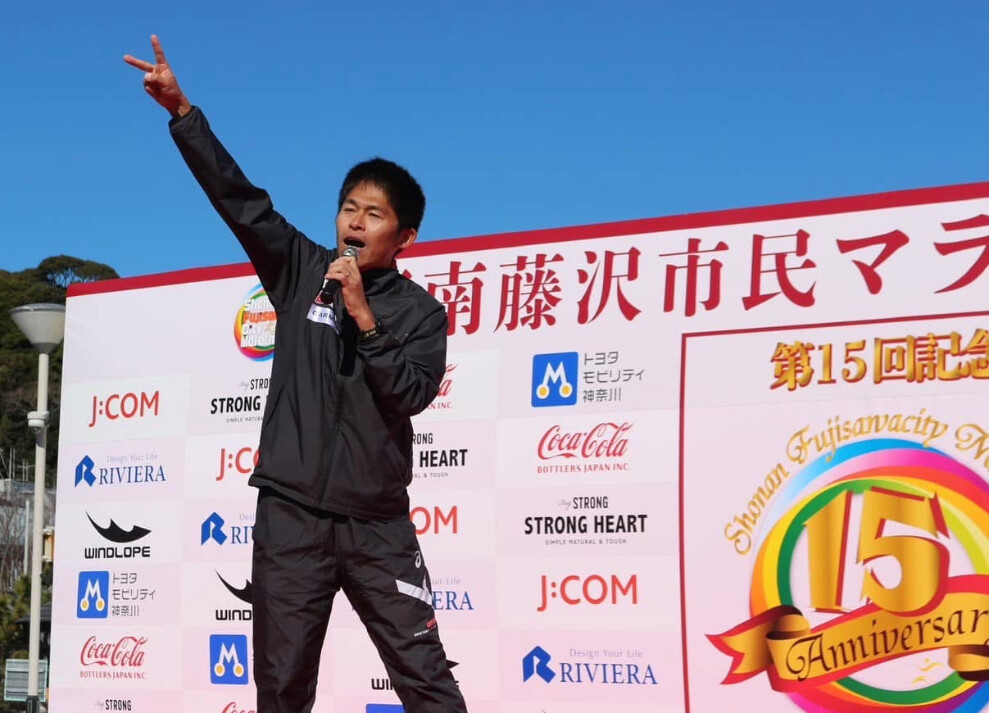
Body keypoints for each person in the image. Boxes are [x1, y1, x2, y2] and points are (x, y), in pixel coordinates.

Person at [124, 35, 467, 713]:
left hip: (378, 526)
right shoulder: (300, 269)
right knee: (281, 687)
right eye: (348, 208)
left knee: (427, 680)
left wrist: (365, 317)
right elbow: (241, 202)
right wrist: (182, 113)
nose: (354, 221)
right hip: (291, 517)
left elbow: (409, 393)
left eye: (373, 214)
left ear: (404, 238)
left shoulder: (422, 313)